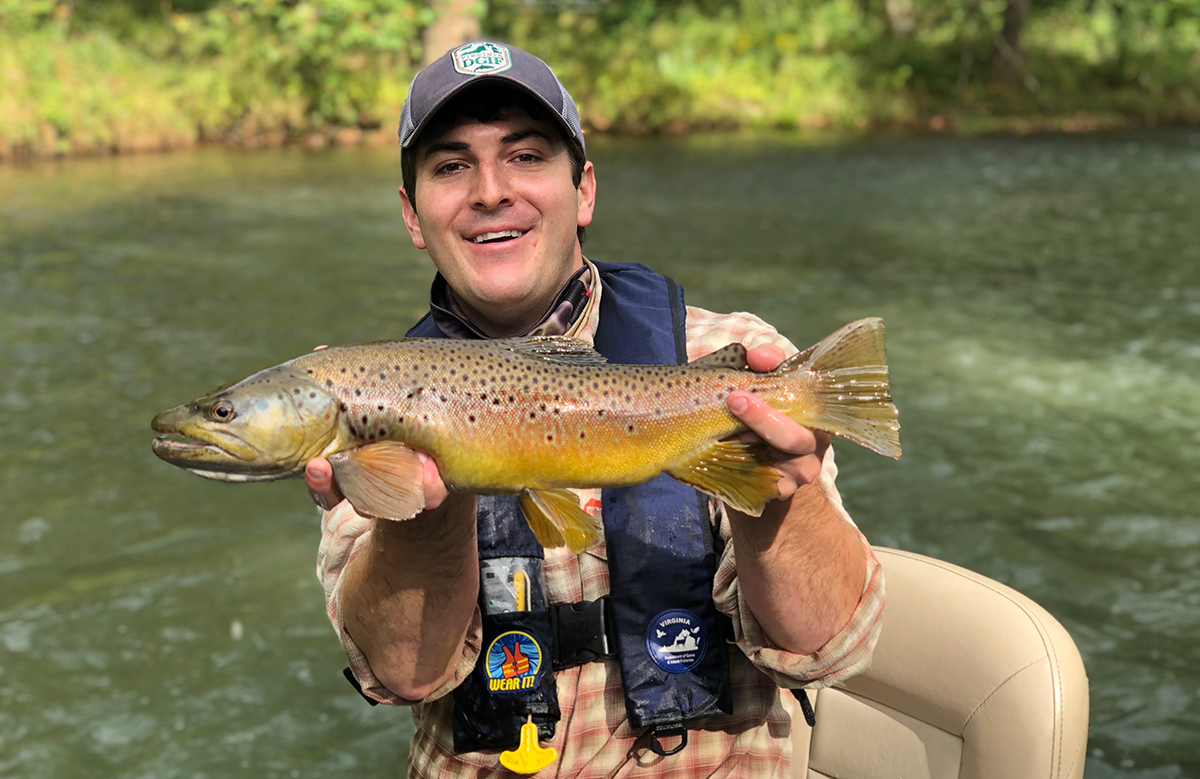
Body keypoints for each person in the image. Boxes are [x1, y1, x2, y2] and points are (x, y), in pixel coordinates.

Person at [306, 41, 883, 778]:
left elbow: (832, 647)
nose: (490, 190)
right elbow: (403, 674)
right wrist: (418, 502)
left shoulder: (732, 355)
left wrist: (782, 502)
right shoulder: (369, 398)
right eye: (451, 166)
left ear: (583, 191)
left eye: (526, 156)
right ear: (413, 215)